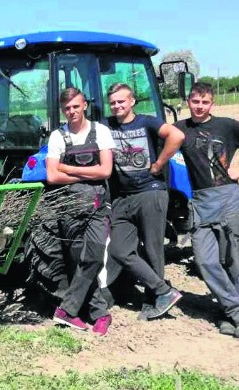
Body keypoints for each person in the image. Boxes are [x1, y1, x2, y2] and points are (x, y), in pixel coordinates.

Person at [174, 82, 239, 338]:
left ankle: (228, 315)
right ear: (189, 101)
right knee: (204, 261)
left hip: (228, 198)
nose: (200, 106)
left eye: (205, 102)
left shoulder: (226, 126)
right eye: (195, 101)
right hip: (201, 201)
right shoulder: (180, 129)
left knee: (232, 260)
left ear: (211, 104)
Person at [104, 83, 185, 320]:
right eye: (113, 102)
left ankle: (153, 301)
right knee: (119, 250)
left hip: (150, 191)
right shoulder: (107, 125)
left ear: (132, 102)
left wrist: (159, 164)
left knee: (152, 250)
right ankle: (164, 291)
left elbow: (177, 135)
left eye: (121, 101)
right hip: (123, 196)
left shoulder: (147, 122)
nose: (117, 106)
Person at [46, 88, 115, 336]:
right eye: (67, 108)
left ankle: (66, 310)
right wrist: (89, 171)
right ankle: (100, 313)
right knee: (78, 262)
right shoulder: (57, 136)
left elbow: (106, 171)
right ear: (63, 110)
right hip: (70, 209)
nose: (72, 112)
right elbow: (52, 176)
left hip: (97, 207)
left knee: (94, 257)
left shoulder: (101, 132)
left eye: (76, 106)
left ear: (84, 104)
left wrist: (67, 168)